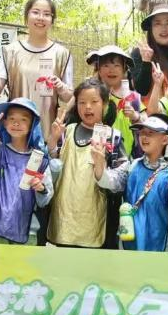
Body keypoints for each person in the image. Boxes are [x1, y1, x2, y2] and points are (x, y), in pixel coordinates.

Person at [48, 80, 126, 248]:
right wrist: (53, 140)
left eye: (94, 102)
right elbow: (53, 165)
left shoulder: (113, 137)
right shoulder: (67, 131)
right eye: (82, 102)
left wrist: (101, 170)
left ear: (105, 104)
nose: (87, 107)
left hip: (96, 218)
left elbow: (122, 179)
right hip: (64, 214)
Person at [95, 114, 168, 252]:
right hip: (129, 241)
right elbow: (110, 181)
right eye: (142, 133)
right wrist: (99, 163)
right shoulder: (132, 165)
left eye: (150, 133)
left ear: (165, 139)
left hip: (159, 243)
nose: (144, 137)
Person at [0, 98, 53, 245]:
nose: (16, 123)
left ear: (32, 124)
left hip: (27, 231)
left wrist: (41, 188)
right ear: (4, 122)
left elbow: (45, 199)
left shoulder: (39, 159)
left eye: (23, 119)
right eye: (12, 119)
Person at [0, 0, 73, 134]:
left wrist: (60, 86)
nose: (41, 18)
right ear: (26, 17)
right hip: (15, 130)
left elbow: (68, 97)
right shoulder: (10, 51)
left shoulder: (62, 53)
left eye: (47, 14)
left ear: (52, 20)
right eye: (36, 12)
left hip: (47, 129)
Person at [88, 46, 143, 157]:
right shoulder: (90, 94)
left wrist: (135, 116)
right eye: (106, 65)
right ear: (99, 69)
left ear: (124, 70)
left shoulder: (133, 98)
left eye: (116, 65)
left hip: (125, 158)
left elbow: (146, 124)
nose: (111, 70)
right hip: (95, 154)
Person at [131, 5, 168, 99]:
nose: (164, 29)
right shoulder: (139, 53)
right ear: (151, 28)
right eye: (157, 24)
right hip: (155, 107)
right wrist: (146, 62)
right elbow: (142, 90)